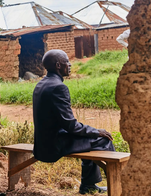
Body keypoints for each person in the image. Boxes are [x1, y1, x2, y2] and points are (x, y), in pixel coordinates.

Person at [32, 49, 115, 195]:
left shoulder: (41, 84)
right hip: (55, 145)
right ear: (58, 65)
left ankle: (88, 186)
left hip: (42, 143)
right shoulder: (59, 87)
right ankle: (117, 182)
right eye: (67, 62)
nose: (70, 65)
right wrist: (97, 131)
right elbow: (71, 126)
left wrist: (91, 131)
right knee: (103, 140)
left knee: (89, 136)